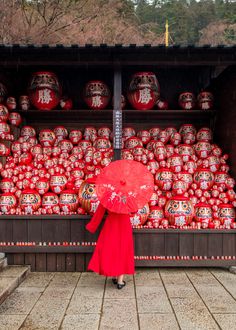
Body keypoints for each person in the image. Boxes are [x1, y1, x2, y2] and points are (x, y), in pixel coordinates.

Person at [86, 203, 135, 289]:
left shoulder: (109, 195)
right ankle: (120, 281)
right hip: (124, 224)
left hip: (111, 224)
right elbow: (134, 211)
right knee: (122, 249)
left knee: (112, 249)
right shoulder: (128, 194)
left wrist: (92, 226)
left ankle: (114, 276)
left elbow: (99, 212)